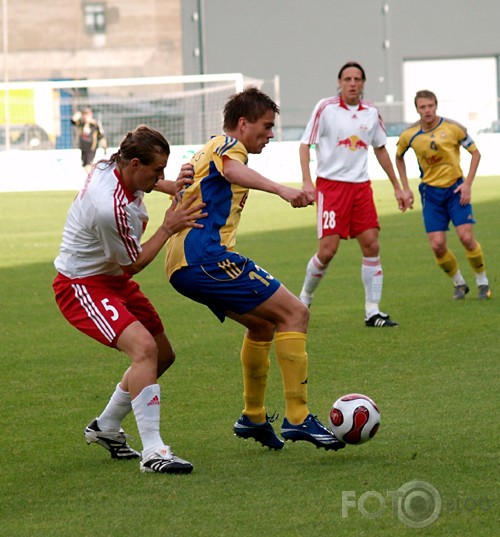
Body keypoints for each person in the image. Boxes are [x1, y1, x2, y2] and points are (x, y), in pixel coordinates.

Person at [165, 86, 345, 452]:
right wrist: (282, 190)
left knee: (262, 324)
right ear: (243, 123)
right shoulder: (232, 148)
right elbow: (232, 170)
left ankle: (254, 416)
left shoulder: (207, 148)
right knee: (295, 312)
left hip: (184, 263)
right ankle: (297, 417)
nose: (271, 133)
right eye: (266, 126)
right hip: (204, 257)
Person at [53, 125, 207, 474]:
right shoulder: (109, 207)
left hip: (112, 279)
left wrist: (172, 186)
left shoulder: (116, 166)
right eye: (158, 171)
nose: (162, 177)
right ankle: (154, 451)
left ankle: (105, 427)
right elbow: (134, 264)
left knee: (162, 355)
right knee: (144, 351)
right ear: (135, 163)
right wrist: (169, 226)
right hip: (82, 285)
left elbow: (143, 184)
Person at [298, 61, 412, 327]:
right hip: (331, 187)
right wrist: (307, 182)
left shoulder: (371, 112)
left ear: (363, 83)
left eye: (357, 78)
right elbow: (305, 145)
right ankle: (303, 299)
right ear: (339, 82)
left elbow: (381, 149)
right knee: (327, 251)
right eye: (347, 78)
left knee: (372, 244)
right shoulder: (325, 108)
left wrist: (398, 186)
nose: (352, 83)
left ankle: (373, 311)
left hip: (361, 187)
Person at [395, 90, 491, 300]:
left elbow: (475, 153)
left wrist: (468, 184)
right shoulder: (409, 135)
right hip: (431, 193)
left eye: (430, 106)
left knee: (466, 237)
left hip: (456, 190)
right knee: (437, 245)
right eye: (423, 107)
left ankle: (482, 281)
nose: (427, 111)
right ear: (417, 109)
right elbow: (399, 157)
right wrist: (404, 186)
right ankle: (459, 283)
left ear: (436, 106)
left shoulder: (453, 128)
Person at [72, 107, 108, 174]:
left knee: (87, 166)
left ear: (90, 115)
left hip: (91, 148)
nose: (85, 116)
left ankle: (92, 179)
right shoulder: (81, 123)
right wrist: (78, 114)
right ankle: (92, 178)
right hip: (83, 148)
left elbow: (101, 135)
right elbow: (73, 120)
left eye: (87, 114)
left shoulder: (95, 124)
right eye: (84, 114)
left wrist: (104, 146)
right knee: (86, 166)